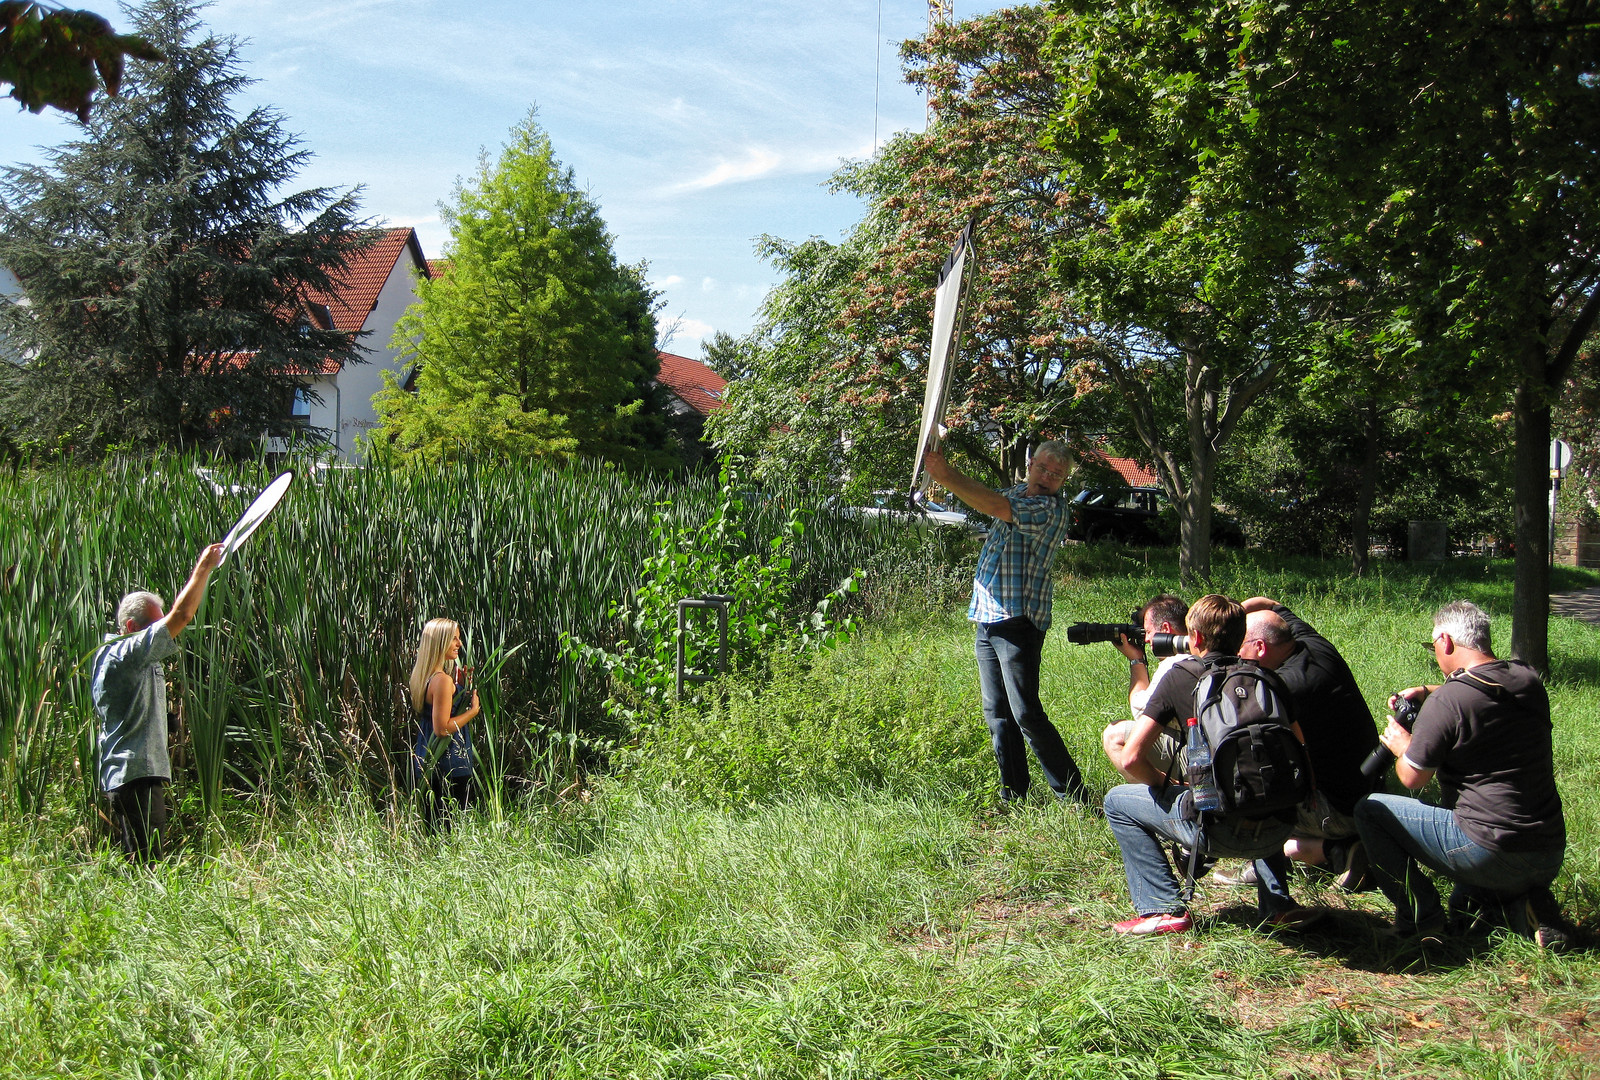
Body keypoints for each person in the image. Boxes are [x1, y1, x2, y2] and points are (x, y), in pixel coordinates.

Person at [1355, 601, 1570, 946]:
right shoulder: (1526, 679)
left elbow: (1412, 778)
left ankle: (1419, 916)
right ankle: (1526, 908)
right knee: (1464, 910)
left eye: (1433, 646)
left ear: (1446, 641)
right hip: (1547, 850)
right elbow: (1479, 690)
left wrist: (1401, 744)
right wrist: (1427, 691)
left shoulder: (1449, 702)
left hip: (1489, 849)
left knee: (1370, 810)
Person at [1103, 593, 1312, 934]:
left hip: (1214, 830)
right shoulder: (1268, 678)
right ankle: (1277, 904)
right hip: (1280, 829)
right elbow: (1300, 749)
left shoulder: (1180, 676)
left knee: (1117, 802)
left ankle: (1162, 907)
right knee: (1260, 769)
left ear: (1194, 637)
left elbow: (1130, 756)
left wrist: (1168, 788)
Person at [922, 441, 1090, 805]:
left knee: (1025, 711)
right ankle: (1014, 793)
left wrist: (945, 473)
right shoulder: (1017, 491)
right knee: (996, 712)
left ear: (1063, 481)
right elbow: (982, 495)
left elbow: (995, 506)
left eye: (1056, 475)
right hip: (987, 616)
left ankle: (1074, 797)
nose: (1046, 478)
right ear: (1030, 464)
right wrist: (941, 470)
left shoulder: (1048, 509)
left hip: (1018, 620)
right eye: (1043, 469)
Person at [1211, 599, 1380, 891]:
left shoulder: (1285, 686)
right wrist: (1234, 613)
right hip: (1365, 789)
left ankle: (1318, 852)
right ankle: (1345, 850)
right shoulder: (1313, 644)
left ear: (1260, 648)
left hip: (1339, 809)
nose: (1236, 654)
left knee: (1250, 788)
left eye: (1239, 646)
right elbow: (1272, 604)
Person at [91, 542, 226, 862]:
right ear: (130, 628)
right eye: (154, 627)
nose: (163, 633)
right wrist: (203, 568)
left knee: (140, 861)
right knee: (148, 862)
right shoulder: (123, 654)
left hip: (135, 775)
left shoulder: (135, 659)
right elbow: (182, 615)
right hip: (134, 775)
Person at [1103, 593, 1191, 784]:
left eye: (1148, 631)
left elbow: (1141, 711)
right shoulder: (1203, 651)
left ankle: (1171, 796)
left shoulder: (1175, 664)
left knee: (1114, 735)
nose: (1147, 639)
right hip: (1218, 747)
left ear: (1166, 628)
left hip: (1196, 755)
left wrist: (1136, 660)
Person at [408, 618, 481, 833]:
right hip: (448, 762)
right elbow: (442, 728)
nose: (459, 644)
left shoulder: (425, 676)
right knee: (452, 828)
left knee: (435, 826)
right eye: (454, 639)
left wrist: (462, 685)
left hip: (427, 757)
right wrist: (472, 712)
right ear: (440, 642)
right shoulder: (442, 681)